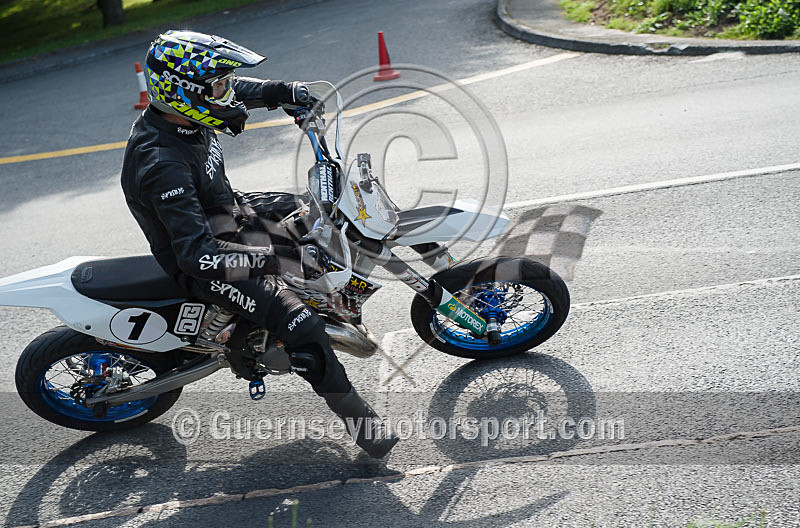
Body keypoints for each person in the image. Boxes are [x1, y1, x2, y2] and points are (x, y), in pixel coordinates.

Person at [121, 30, 398, 458]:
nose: (228, 92)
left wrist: (284, 91)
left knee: (311, 212)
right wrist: (275, 258)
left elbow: (236, 92)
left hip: (227, 213)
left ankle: (310, 306)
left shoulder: (188, 115)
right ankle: (365, 426)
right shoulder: (162, 163)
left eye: (225, 82)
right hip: (208, 261)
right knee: (303, 326)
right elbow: (198, 256)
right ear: (183, 93)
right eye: (218, 86)